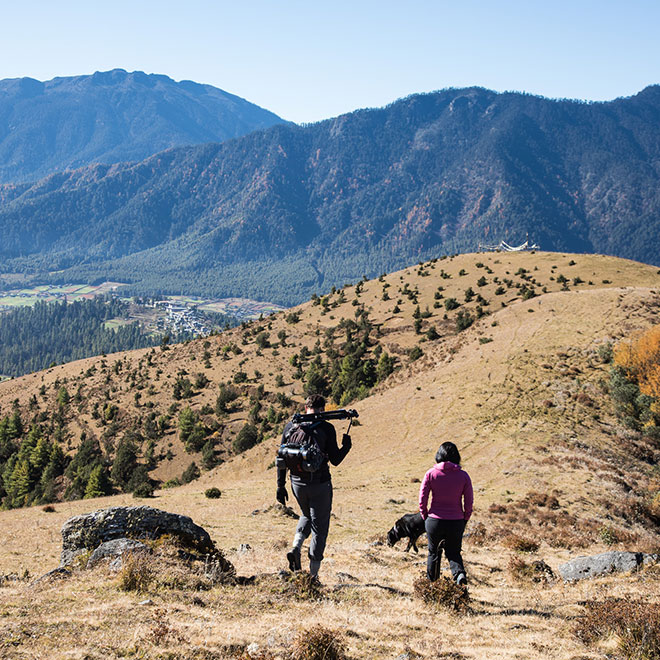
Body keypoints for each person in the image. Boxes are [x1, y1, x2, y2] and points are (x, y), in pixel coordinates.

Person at [276, 393, 352, 579]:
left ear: (305, 408)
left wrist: (280, 486)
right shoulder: (326, 428)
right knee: (320, 528)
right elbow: (335, 460)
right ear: (323, 409)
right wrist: (346, 447)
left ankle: (296, 546)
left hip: (296, 483)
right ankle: (313, 576)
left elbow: (281, 458)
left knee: (305, 515)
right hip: (320, 484)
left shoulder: (290, 426)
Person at [418, 441, 473, 586]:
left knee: (433, 553)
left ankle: (432, 586)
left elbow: (422, 499)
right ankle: (459, 575)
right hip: (456, 521)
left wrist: (425, 516)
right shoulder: (464, 476)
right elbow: (469, 502)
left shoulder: (430, 474)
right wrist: (465, 518)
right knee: (454, 552)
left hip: (434, 520)